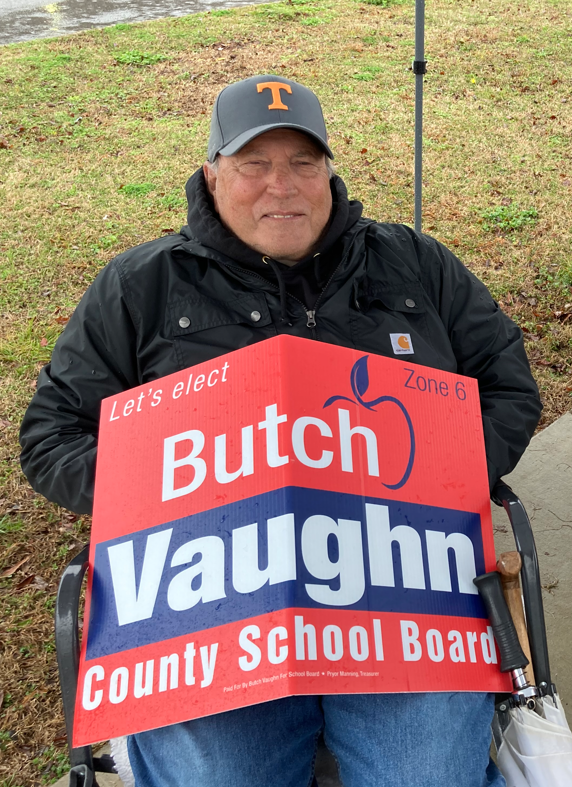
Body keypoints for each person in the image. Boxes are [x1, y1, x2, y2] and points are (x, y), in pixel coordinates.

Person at [20, 75, 541, 787]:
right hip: (213, 599)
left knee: (420, 774)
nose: (282, 186)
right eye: (254, 164)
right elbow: (51, 435)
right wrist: (166, 492)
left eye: (303, 162)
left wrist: (445, 475)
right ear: (211, 174)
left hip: (399, 582)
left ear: (329, 167)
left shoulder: (415, 264)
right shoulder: (140, 286)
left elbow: (506, 383)